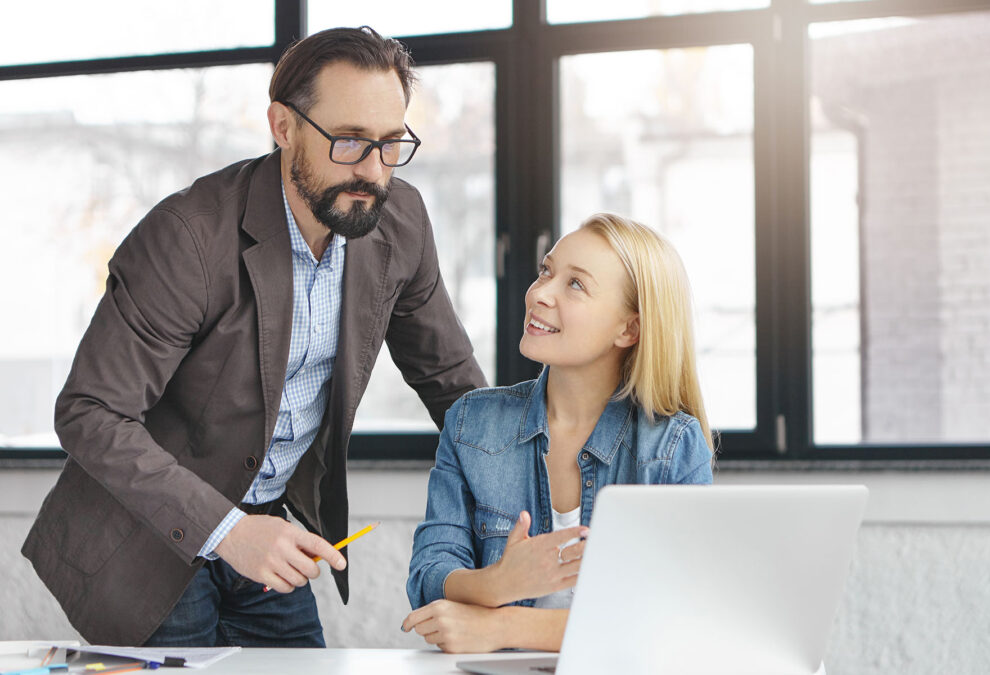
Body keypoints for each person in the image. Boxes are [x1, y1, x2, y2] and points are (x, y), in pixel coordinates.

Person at [21, 26, 486, 648]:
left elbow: (451, 381)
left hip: (266, 527)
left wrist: (526, 484)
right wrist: (229, 531)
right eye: (348, 141)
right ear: (283, 126)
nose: (374, 172)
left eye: (390, 143)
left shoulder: (399, 220)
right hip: (148, 538)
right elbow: (89, 413)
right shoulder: (186, 237)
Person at [402, 213, 716, 653]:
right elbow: (429, 579)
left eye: (575, 285)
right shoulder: (472, 422)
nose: (539, 294)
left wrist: (503, 626)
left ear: (629, 328)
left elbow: (677, 617)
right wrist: (497, 584)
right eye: (546, 271)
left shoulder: (672, 447)